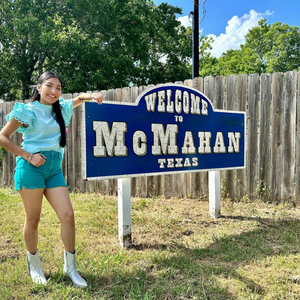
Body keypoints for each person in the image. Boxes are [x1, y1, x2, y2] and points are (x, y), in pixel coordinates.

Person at [0, 71, 103, 287]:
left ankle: (71, 268)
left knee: (67, 215)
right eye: (49, 86)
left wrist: (92, 95)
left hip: (54, 167)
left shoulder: (61, 109)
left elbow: (79, 99)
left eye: (58, 88)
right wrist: (28, 155)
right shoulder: (27, 111)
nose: (54, 91)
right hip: (31, 168)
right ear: (38, 88)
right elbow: (3, 136)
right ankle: (35, 266)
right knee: (33, 219)